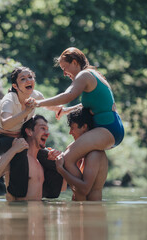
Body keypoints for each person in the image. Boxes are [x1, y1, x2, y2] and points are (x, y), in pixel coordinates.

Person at [33, 47, 124, 182]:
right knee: (77, 159)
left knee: (67, 158)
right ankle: (84, 199)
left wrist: (38, 103)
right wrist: (65, 110)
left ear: (75, 63)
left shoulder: (84, 75)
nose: (64, 73)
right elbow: (86, 105)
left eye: (65, 68)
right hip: (111, 128)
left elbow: (68, 95)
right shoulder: (92, 74)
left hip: (108, 129)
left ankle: (81, 191)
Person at [0, 67, 62, 197]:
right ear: (15, 85)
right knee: (21, 149)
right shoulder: (9, 100)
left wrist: (67, 110)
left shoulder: (35, 95)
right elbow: (5, 123)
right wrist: (26, 112)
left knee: (51, 158)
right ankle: (18, 194)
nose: (28, 80)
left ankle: (49, 194)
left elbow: (50, 106)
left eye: (30, 77)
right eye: (23, 79)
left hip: (20, 140)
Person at [0, 115, 66, 201]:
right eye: (42, 128)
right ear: (29, 132)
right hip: (20, 213)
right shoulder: (18, 157)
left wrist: (60, 164)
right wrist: (13, 149)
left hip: (40, 212)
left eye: (47, 129)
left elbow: (62, 188)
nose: (47, 133)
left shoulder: (42, 162)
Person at [56, 107, 108, 201]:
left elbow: (84, 189)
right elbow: (65, 188)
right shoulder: (81, 153)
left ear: (84, 127)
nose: (70, 132)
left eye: (72, 128)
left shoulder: (94, 153)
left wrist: (61, 170)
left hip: (92, 212)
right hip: (82, 210)